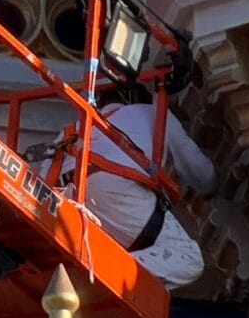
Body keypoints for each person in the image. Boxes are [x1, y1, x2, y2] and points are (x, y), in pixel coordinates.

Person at [84, 88, 216, 289]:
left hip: (73, 198)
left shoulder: (76, 127)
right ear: (135, 96)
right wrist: (216, 181)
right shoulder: (153, 112)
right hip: (120, 193)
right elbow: (201, 174)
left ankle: (94, 267)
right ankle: (105, 271)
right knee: (189, 259)